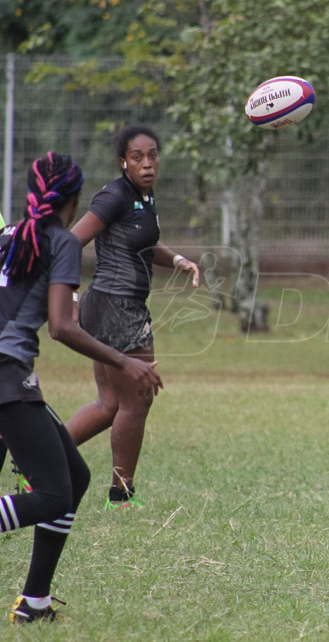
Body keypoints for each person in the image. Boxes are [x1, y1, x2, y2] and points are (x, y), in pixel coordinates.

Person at [0, 153, 162, 623]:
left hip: (12, 376)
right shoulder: (60, 242)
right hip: (8, 376)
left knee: (74, 478)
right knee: (52, 494)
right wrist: (123, 360)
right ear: (74, 199)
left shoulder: (10, 234)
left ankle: (34, 603)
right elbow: (61, 327)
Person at [63, 126, 199, 509]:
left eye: (152, 155)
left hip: (113, 305)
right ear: (123, 161)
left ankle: (36, 460)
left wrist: (177, 260)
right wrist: (69, 295)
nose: (147, 163)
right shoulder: (114, 195)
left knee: (110, 404)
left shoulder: (143, 195)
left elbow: (144, 239)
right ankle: (121, 494)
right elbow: (71, 242)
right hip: (116, 306)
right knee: (137, 401)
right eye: (137, 157)